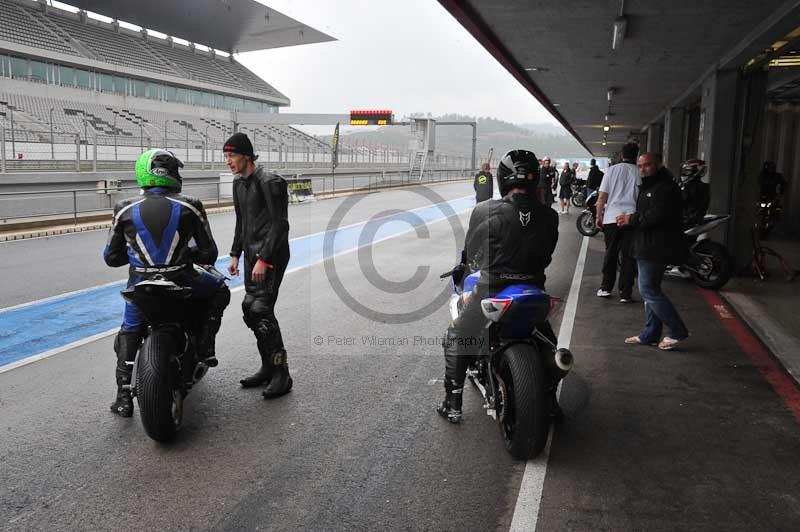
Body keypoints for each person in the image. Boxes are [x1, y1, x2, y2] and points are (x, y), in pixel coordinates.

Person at [104, 149, 230, 417]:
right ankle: (205, 346)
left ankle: (123, 397)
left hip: (140, 283)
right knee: (220, 290)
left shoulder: (123, 208)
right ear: (173, 174)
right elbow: (209, 253)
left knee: (129, 330)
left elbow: (111, 258)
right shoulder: (191, 205)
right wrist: (186, 253)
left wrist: (136, 256)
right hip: (182, 279)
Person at [437, 149, 559, 423]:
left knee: (458, 336)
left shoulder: (484, 210)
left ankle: (452, 403)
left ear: (502, 178)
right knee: (549, 343)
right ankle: (550, 400)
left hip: (493, 287)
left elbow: (473, 254)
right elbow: (547, 256)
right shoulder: (550, 215)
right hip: (534, 288)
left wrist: (472, 265)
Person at [225, 133, 293, 399]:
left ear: (246, 155)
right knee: (249, 309)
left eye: (232, 155)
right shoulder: (238, 183)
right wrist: (235, 254)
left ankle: (281, 374)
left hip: (271, 255)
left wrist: (264, 258)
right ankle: (267, 367)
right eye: (226, 156)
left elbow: (280, 225)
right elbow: (241, 222)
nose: (228, 161)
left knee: (261, 310)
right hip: (251, 256)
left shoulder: (270, 182)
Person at [616, 153, 689, 350]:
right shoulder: (650, 185)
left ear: (658, 165)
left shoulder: (665, 187)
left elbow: (657, 215)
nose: (643, 169)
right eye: (640, 166)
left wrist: (631, 219)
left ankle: (677, 330)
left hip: (656, 246)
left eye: (647, 165)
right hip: (646, 243)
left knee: (648, 289)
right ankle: (650, 333)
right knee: (651, 290)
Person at [595, 142, 640, 302]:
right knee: (628, 256)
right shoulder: (639, 172)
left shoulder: (611, 170)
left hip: (611, 218)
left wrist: (598, 216)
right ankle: (625, 293)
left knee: (611, 253)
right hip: (631, 219)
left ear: (622, 154)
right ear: (636, 155)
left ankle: (606, 288)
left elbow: (602, 197)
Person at [679, 159, 710, 229]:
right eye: (684, 171)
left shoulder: (700, 187)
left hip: (689, 223)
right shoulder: (684, 185)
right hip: (680, 220)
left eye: (688, 171)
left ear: (696, 171)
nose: (684, 173)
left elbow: (699, 209)